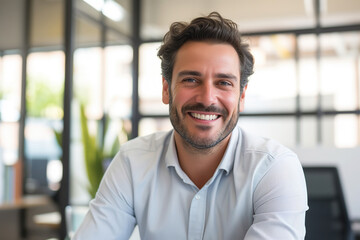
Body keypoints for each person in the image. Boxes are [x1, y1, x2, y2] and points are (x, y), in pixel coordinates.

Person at [73, 12, 308, 240]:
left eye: (224, 82)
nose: (207, 98)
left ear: (242, 96)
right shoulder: (132, 162)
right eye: (191, 80)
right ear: (166, 89)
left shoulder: (273, 168)